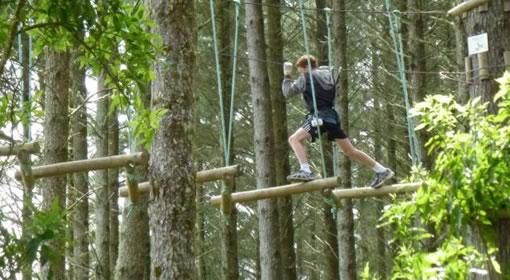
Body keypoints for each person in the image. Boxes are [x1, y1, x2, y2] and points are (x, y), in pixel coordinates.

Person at [282, 55, 394, 188]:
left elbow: (288, 92)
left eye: (301, 70)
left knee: (294, 139)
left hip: (319, 117)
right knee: (350, 151)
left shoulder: (306, 77)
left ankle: (305, 170)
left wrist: (287, 76)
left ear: (306, 67)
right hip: (332, 117)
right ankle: (381, 170)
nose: (302, 73)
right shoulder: (329, 74)